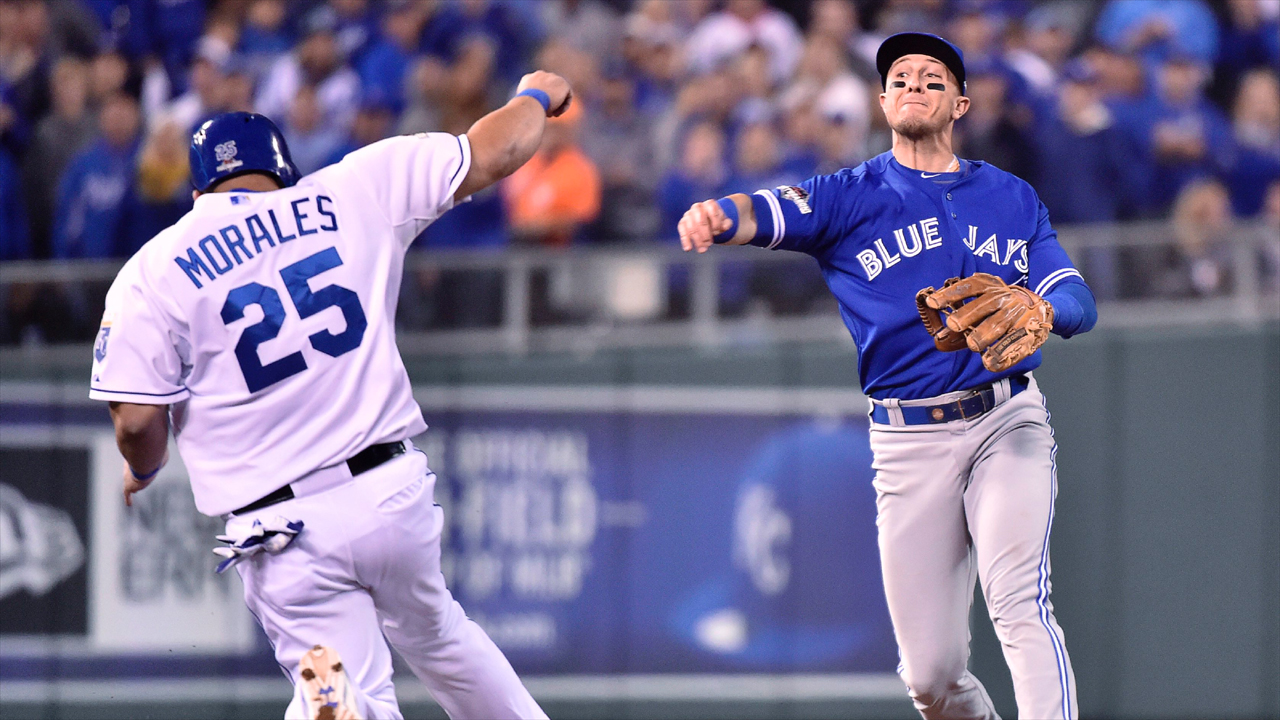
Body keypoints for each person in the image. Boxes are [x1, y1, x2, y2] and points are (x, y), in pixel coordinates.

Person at [87, 70, 575, 719]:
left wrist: (145, 466)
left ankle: (339, 703)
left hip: (282, 526)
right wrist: (535, 98)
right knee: (441, 635)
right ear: (283, 168)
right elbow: (496, 151)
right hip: (388, 492)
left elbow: (136, 421)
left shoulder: (152, 270)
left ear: (198, 188)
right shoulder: (354, 187)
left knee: (351, 692)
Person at [678, 33, 1096, 720]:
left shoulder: (1011, 197)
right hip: (907, 439)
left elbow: (1080, 301)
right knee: (930, 675)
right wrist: (721, 214)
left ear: (959, 103)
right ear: (880, 100)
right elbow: (767, 211)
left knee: (1019, 601)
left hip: (1005, 418)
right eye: (900, 77)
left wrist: (1046, 308)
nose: (914, 85)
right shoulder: (849, 195)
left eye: (932, 79)